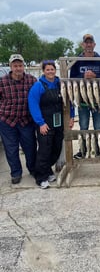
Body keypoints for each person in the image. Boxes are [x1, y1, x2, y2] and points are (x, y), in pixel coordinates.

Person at [28, 60, 74, 189]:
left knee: (56, 148)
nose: (50, 72)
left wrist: (71, 117)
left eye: (52, 69)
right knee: (44, 150)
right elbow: (33, 104)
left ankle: (48, 171)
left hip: (59, 122)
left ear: (55, 70)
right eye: (47, 69)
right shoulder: (38, 86)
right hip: (45, 123)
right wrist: (40, 123)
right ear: (43, 71)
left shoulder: (61, 84)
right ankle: (40, 177)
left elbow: (69, 101)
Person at [70, 34, 100, 159]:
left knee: (98, 127)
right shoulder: (76, 61)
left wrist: (95, 77)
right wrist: (83, 77)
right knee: (83, 126)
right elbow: (71, 79)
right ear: (83, 45)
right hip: (83, 99)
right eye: (86, 42)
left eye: (90, 42)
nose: (88, 45)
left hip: (98, 99)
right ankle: (83, 150)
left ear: (94, 44)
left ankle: (99, 150)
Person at [0, 54, 37, 184]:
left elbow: (38, 98)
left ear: (24, 66)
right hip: (7, 121)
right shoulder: (2, 81)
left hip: (26, 120)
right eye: (15, 66)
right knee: (11, 149)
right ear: (10, 67)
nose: (18, 68)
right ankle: (16, 173)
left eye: (20, 65)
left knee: (30, 147)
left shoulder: (32, 80)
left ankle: (33, 169)